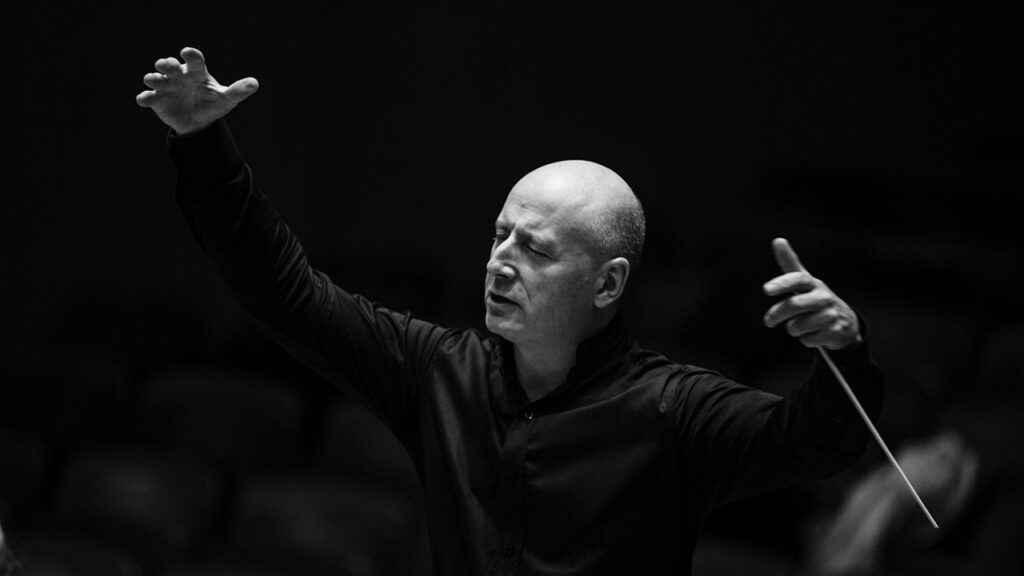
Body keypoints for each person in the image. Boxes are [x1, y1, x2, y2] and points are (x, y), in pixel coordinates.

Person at [138, 47, 883, 575]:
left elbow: (818, 443)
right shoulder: (436, 372)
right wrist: (204, 143)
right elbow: (283, 290)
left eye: (536, 249)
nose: (500, 261)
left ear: (607, 284)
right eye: (499, 235)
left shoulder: (673, 412)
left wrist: (842, 349)